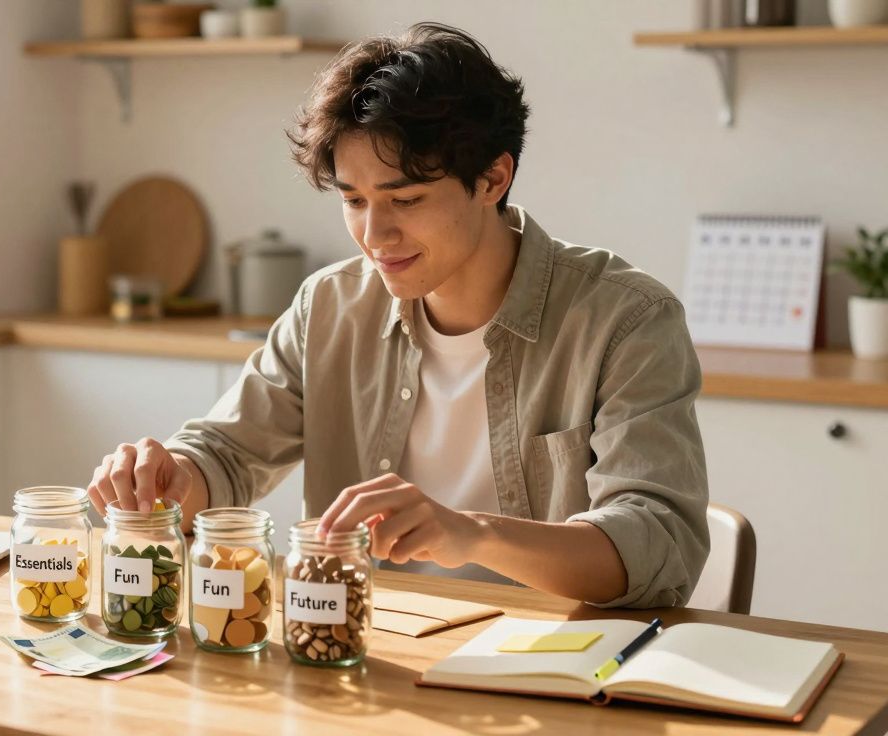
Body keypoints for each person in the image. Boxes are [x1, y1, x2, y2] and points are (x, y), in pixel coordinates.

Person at [86, 22, 708, 608]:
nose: (375, 234)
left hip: (547, 666)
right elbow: (224, 455)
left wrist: (469, 535)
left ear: (493, 179)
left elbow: (658, 546)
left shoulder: (627, 321)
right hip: (358, 645)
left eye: (405, 198)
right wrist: (167, 477)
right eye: (354, 200)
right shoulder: (329, 305)